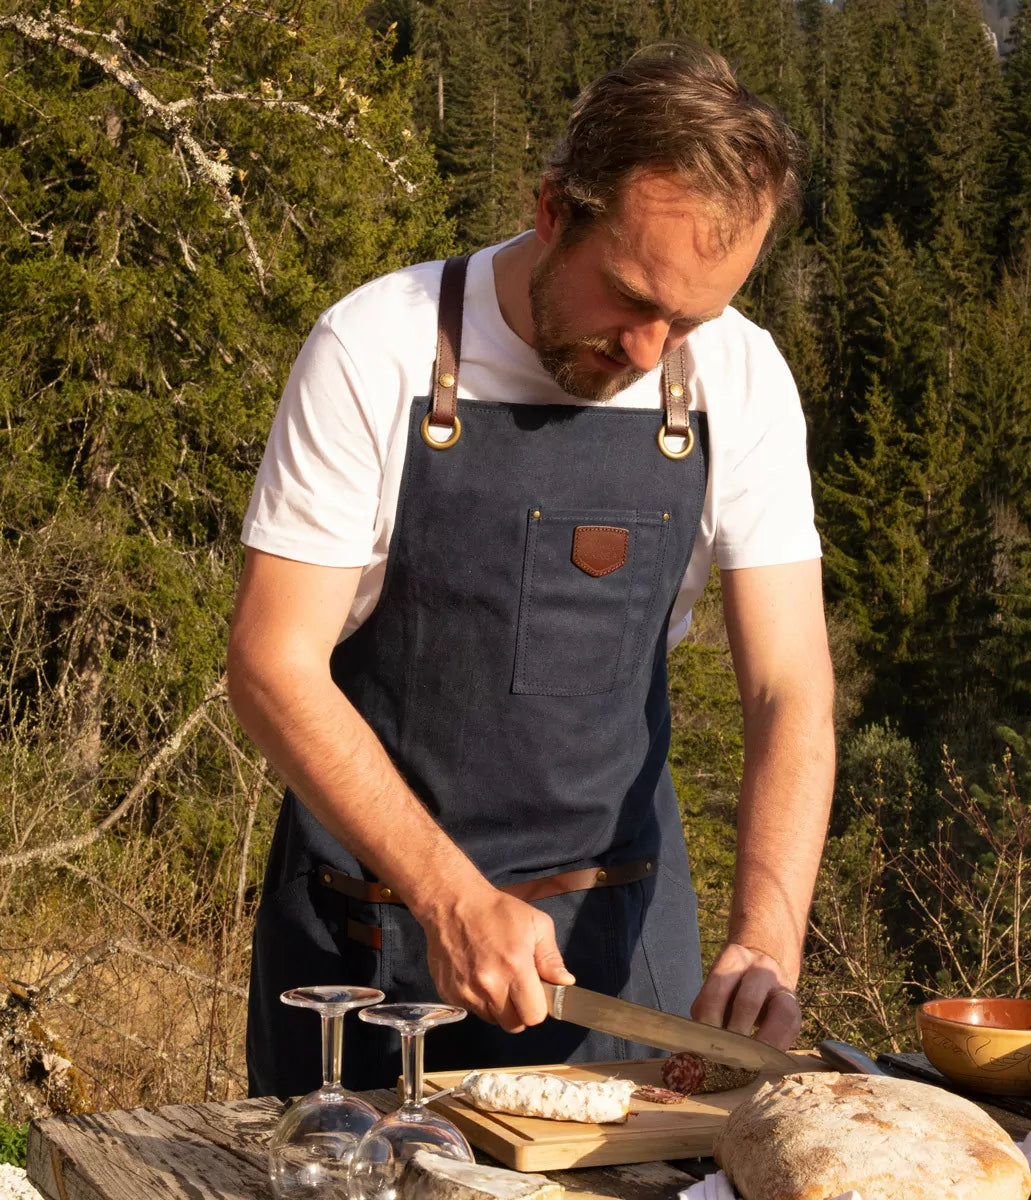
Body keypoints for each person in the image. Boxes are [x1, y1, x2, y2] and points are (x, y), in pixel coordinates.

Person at [227, 41, 836, 1099]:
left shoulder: (741, 376)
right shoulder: (375, 350)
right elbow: (270, 664)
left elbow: (790, 688)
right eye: (631, 298)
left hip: (622, 954)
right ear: (553, 208)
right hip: (370, 954)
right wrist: (447, 896)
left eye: (690, 319)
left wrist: (767, 941)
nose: (649, 350)